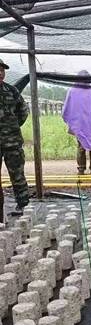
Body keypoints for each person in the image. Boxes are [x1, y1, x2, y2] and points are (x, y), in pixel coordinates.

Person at [0, 58, 30, 216]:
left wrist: (12, 127)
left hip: (12, 142)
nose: (0, 73)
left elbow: (23, 111)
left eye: (2, 70)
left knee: (18, 175)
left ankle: (23, 206)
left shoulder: (12, 91)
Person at [62, 70, 91, 175]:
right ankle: (81, 168)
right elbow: (69, 106)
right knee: (82, 146)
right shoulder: (73, 91)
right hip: (80, 124)